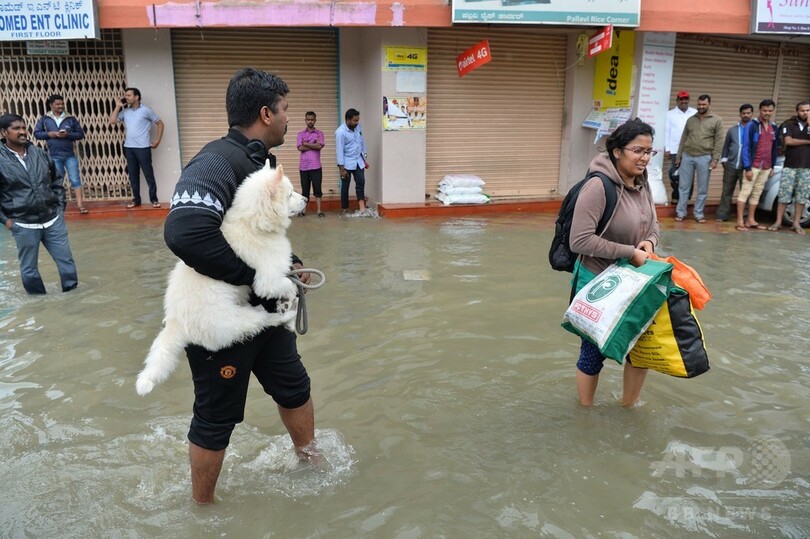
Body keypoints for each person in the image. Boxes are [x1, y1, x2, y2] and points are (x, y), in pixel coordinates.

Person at [163, 68, 317, 505]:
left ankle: (310, 462)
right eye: (285, 109)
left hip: (266, 315)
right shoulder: (215, 162)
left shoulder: (260, 163)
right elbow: (185, 233)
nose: (289, 118)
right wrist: (258, 279)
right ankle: (203, 510)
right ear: (266, 114)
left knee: (295, 387)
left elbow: (255, 233)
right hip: (220, 319)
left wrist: (290, 265)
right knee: (215, 418)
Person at [569, 119, 660, 407]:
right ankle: (585, 412)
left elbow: (654, 225)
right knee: (592, 352)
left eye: (649, 151)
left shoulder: (643, 183)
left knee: (640, 349)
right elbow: (579, 241)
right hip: (598, 280)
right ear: (617, 151)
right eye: (638, 150)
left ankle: (629, 407)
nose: (644, 158)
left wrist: (649, 243)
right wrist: (629, 252)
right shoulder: (599, 185)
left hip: (635, 282)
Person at [0, 114, 78, 294]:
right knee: (29, 270)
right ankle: (38, 304)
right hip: (23, 223)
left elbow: (57, 181)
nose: (22, 132)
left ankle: (73, 300)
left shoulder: (39, 153)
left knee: (67, 264)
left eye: (23, 127)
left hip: (52, 220)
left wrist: (60, 208)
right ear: (4, 132)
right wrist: (7, 222)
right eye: (16, 128)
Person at [108, 87, 164, 209]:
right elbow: (112, 121)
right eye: (126, 95)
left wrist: (157, 141)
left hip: (143, 148)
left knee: (148, 174)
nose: (126, 97)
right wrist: (117, 107)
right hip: (129, 148)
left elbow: (160, 124)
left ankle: (154, 199)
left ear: (136, 97)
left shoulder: (146, 110)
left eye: (129, 95)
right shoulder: (125, 112)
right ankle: (136, 200)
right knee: (133, 176)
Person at [34, 94, 88, 214]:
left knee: (75, 179)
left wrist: (68, 135)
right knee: (57, 181)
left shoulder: (70, 118)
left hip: (69, 155)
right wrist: (50, 134)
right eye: (57, 104)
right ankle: (58, 205)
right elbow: (37, 133)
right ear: (51, 105)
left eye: (62, 104)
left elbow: (80, 134)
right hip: (53, 155)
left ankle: (80, 205)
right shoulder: (45, 119)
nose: (61, 106)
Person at [675, 94, 724, 223]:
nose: (701, 106)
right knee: (683, 187)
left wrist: (715, 159)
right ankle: (681, 212)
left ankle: (698, 213)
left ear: (709, 104)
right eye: (699, 104)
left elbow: (719, 141)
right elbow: (683, 138)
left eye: (704, 104)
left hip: (705, 157)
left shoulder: (717, 120)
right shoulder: (691, 119)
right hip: (687, 156)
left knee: (702, 188)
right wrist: (679, 156)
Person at [737, 99, 778, 232]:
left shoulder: (773, 127)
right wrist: (747, 168)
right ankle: (740, 221)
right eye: (765, 110)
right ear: (760, 110)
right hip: (753, 165)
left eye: (770, 111)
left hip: (766, 166)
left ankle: (751, 220)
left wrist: (772, 166)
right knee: (745, 193)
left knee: (757, 193)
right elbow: (746, 147)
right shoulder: (752, 125)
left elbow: (774, 149)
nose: (767, 113)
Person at [769, 101, 810, 234]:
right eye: (802, 110)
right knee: (784, 195)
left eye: (808, 110)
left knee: (802, 196)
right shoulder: (789, 124)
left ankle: (796, 223)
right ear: (797, 112)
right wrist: (808, 141)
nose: (805, 113)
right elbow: (789, 141)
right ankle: (778, 222)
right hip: (790, 166)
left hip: (807, 167)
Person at [716, 104, 753, 222]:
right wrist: (724, 160)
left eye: (748, 113)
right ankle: (722, 214)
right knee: (726, 191)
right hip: (731, 165)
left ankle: (745, 216)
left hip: (747, 167)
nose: (746, 115)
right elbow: (726, 145)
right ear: (740, 114)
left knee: (746, 192)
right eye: (744, 113)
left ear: (752, 114)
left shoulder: (755, 129)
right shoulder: (733, 130)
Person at [664, 91, 696, 204]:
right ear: (677, 100)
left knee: (689, 175)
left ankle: (687, 198)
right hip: (675, 150)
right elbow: (666, 131)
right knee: (675, 174)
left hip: (691, 149)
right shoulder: (670, 114)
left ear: (689, 100)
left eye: (685, 99)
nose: (684, 101)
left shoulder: (695, 113)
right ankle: (676, 197)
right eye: (681, 99)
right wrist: (667, 148)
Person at [335, 108, 369, 216]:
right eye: (355, 120)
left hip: (359, 160)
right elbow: (339, 151)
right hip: (347, 163)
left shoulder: (357, 127)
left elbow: (361, 142)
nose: (357, 122)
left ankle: (362, 207)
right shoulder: (340, 132)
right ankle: (344, 208)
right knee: (345, 185)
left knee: (361, 182)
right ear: (348, 120)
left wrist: (364, 158)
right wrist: (342, 169)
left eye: (357, 120)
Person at [296, 111, 325, 218]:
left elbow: (319, 146)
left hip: (316, 166)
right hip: (303, 167)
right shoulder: (300, 134)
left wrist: (306, 143)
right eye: (308, 119)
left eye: (312, 119)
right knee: (305, 190)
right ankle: (303, 211)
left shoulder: (320, 134)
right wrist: (313, 144)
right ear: (305, 120)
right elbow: (300, 147)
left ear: (315, 120)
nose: (310, 121)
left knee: (317, 189)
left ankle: (319, 211)